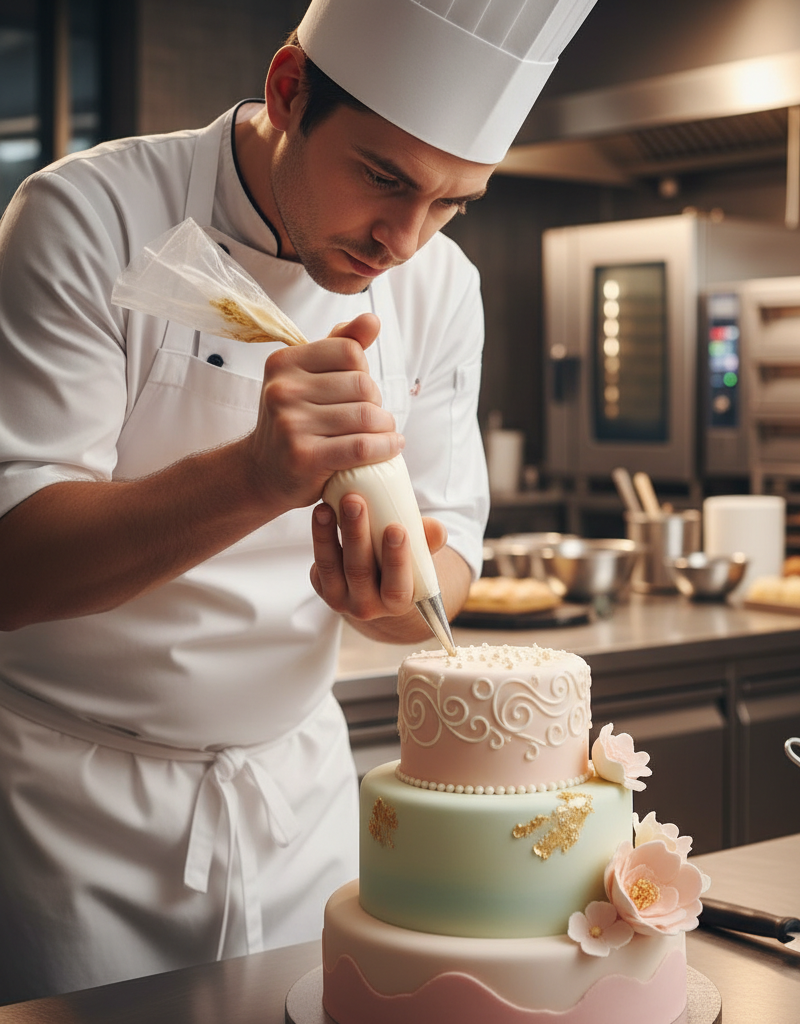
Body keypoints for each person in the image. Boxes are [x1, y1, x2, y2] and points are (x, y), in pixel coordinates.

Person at [0, 0, 597, 1004]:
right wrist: (255, 478)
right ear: (287, 91)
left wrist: (385, 594)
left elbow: (443, 572)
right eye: (385, 176)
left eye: (455, 201)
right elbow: (12, 565)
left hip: (300, 806)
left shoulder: (441, 287)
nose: (404, 239)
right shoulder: (87, 217)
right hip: (70, 813)